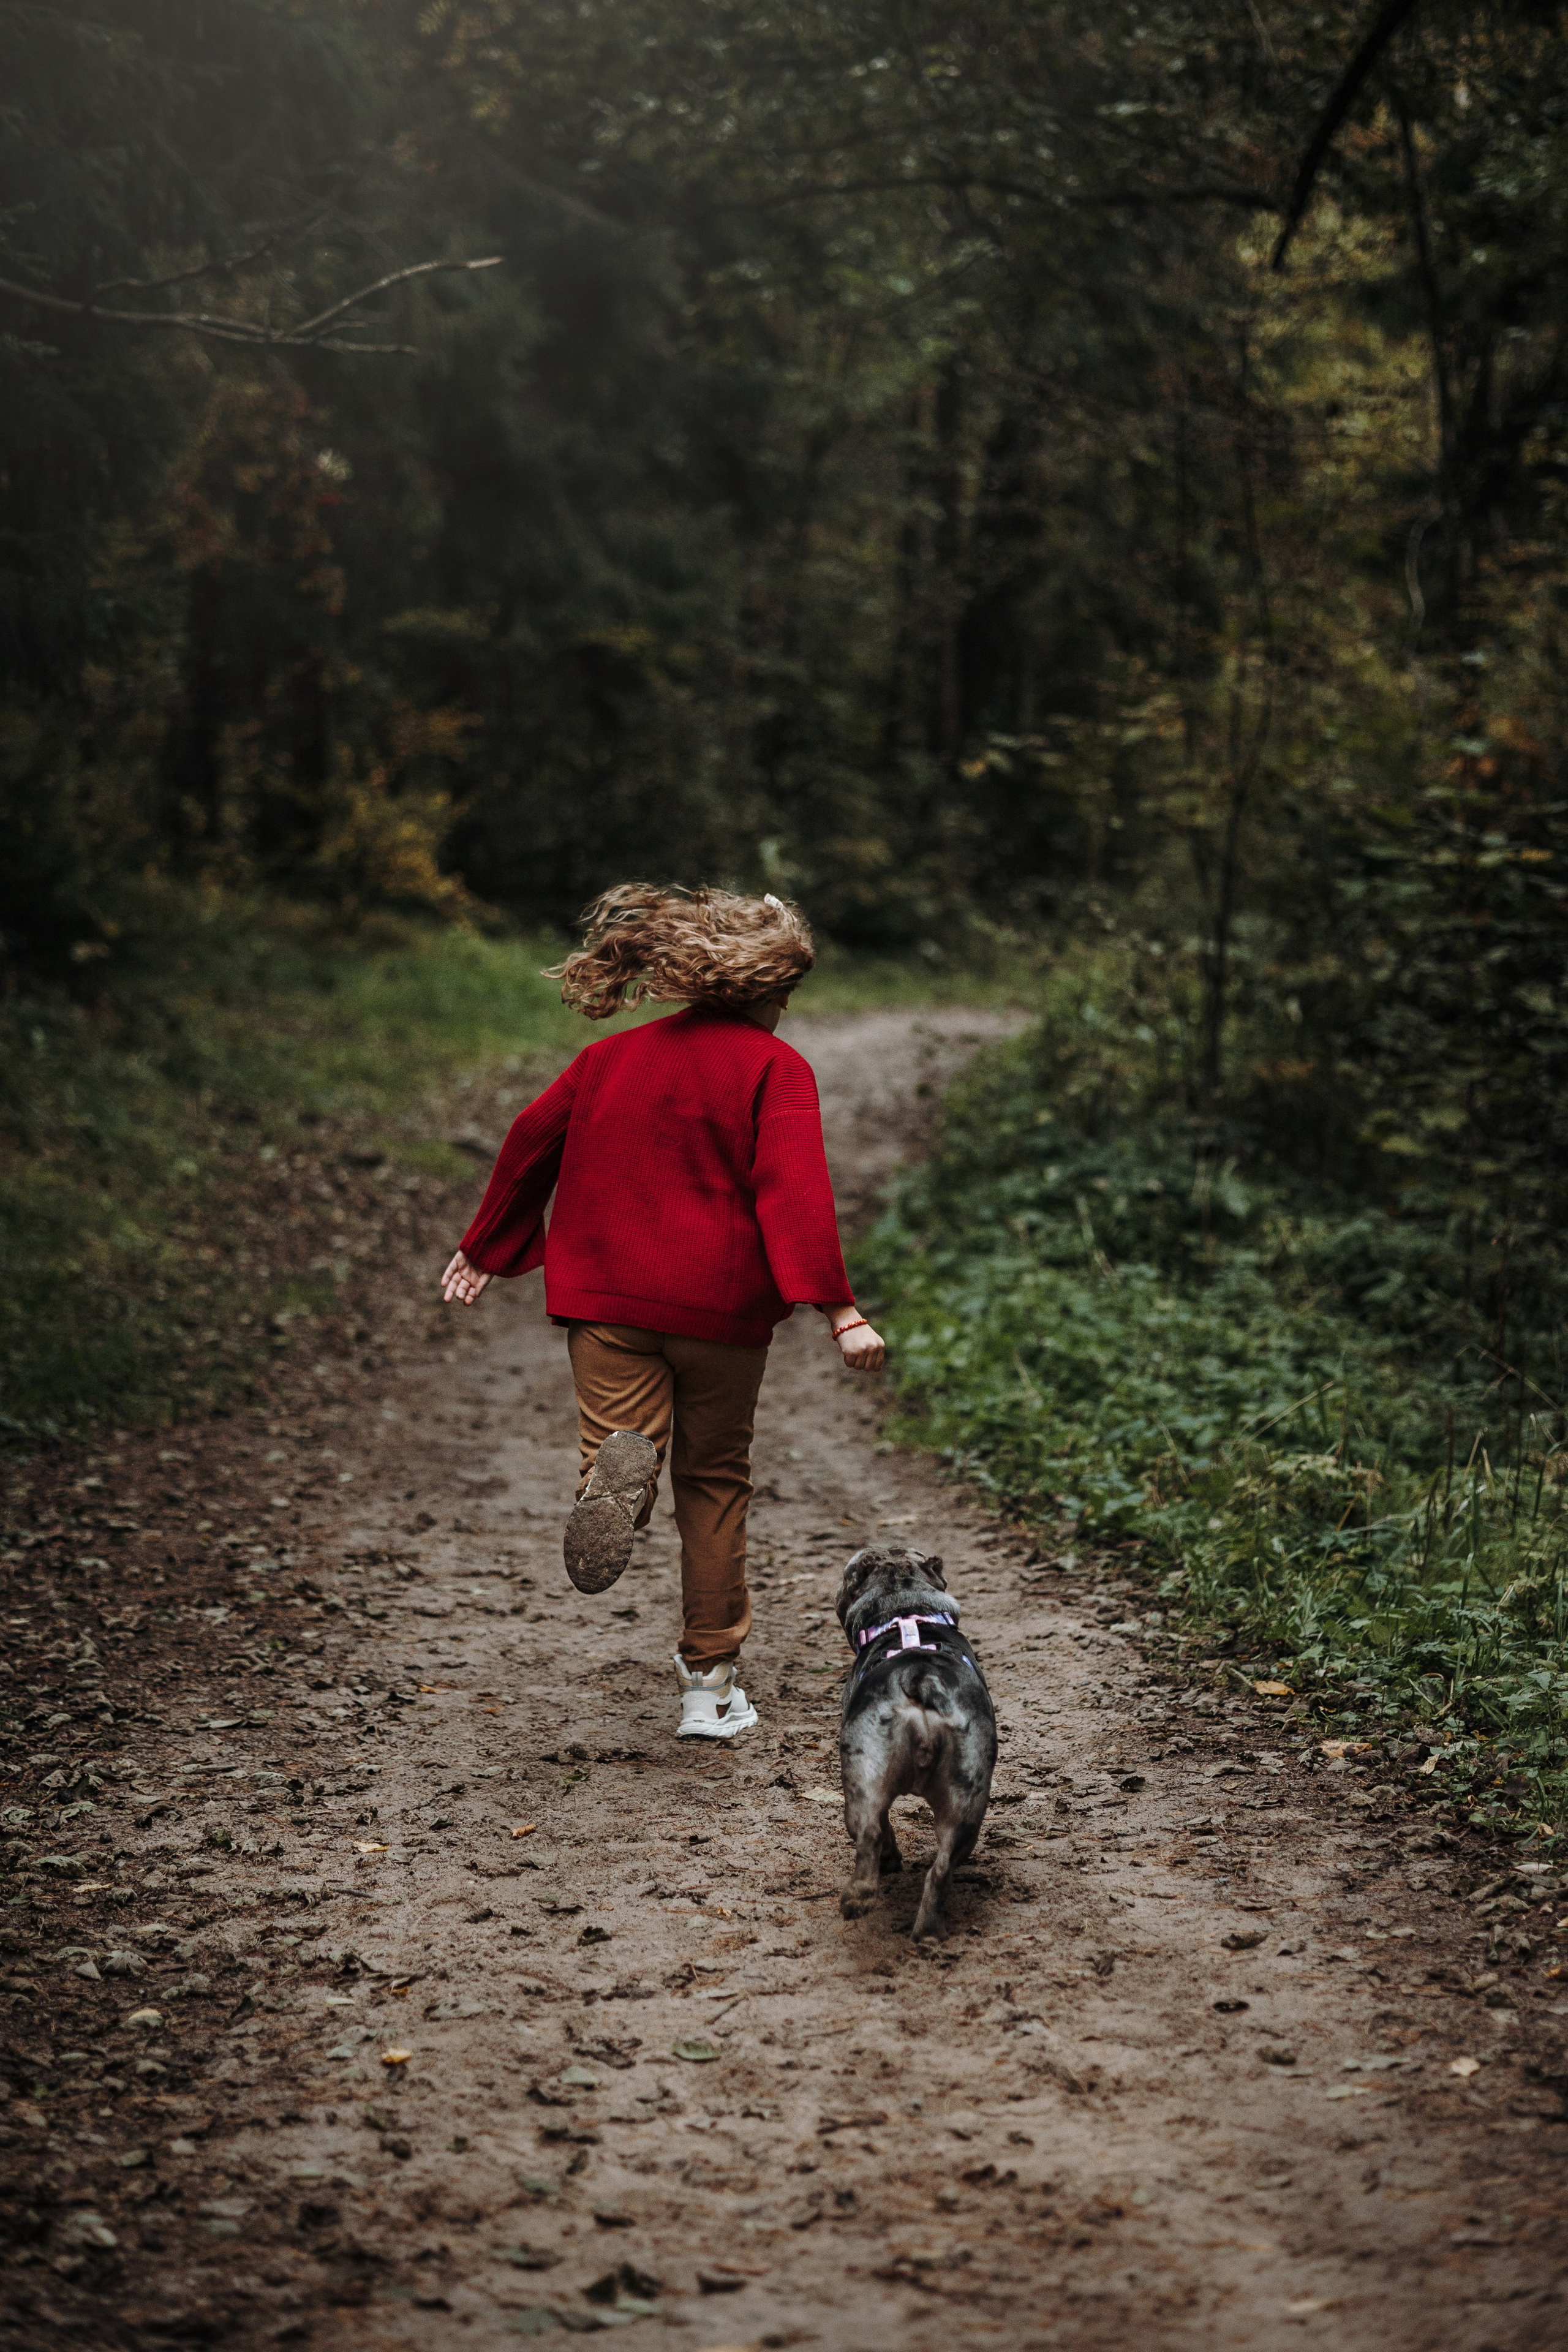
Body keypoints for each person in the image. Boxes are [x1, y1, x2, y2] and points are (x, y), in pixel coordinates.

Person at [440, 884, 885, 1740]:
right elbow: (792, 1192)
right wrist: (841, 1309)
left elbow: (532, 1137)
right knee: (715, 1483)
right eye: (784, 994)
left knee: (616, 1445)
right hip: (719, 1309)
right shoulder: (776, 1071)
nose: (786, 1009)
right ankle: (709, 1688)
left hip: (609, 1300)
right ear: (760, 990)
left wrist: (488, 1245)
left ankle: (611, 1489)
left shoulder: (610, 1060)